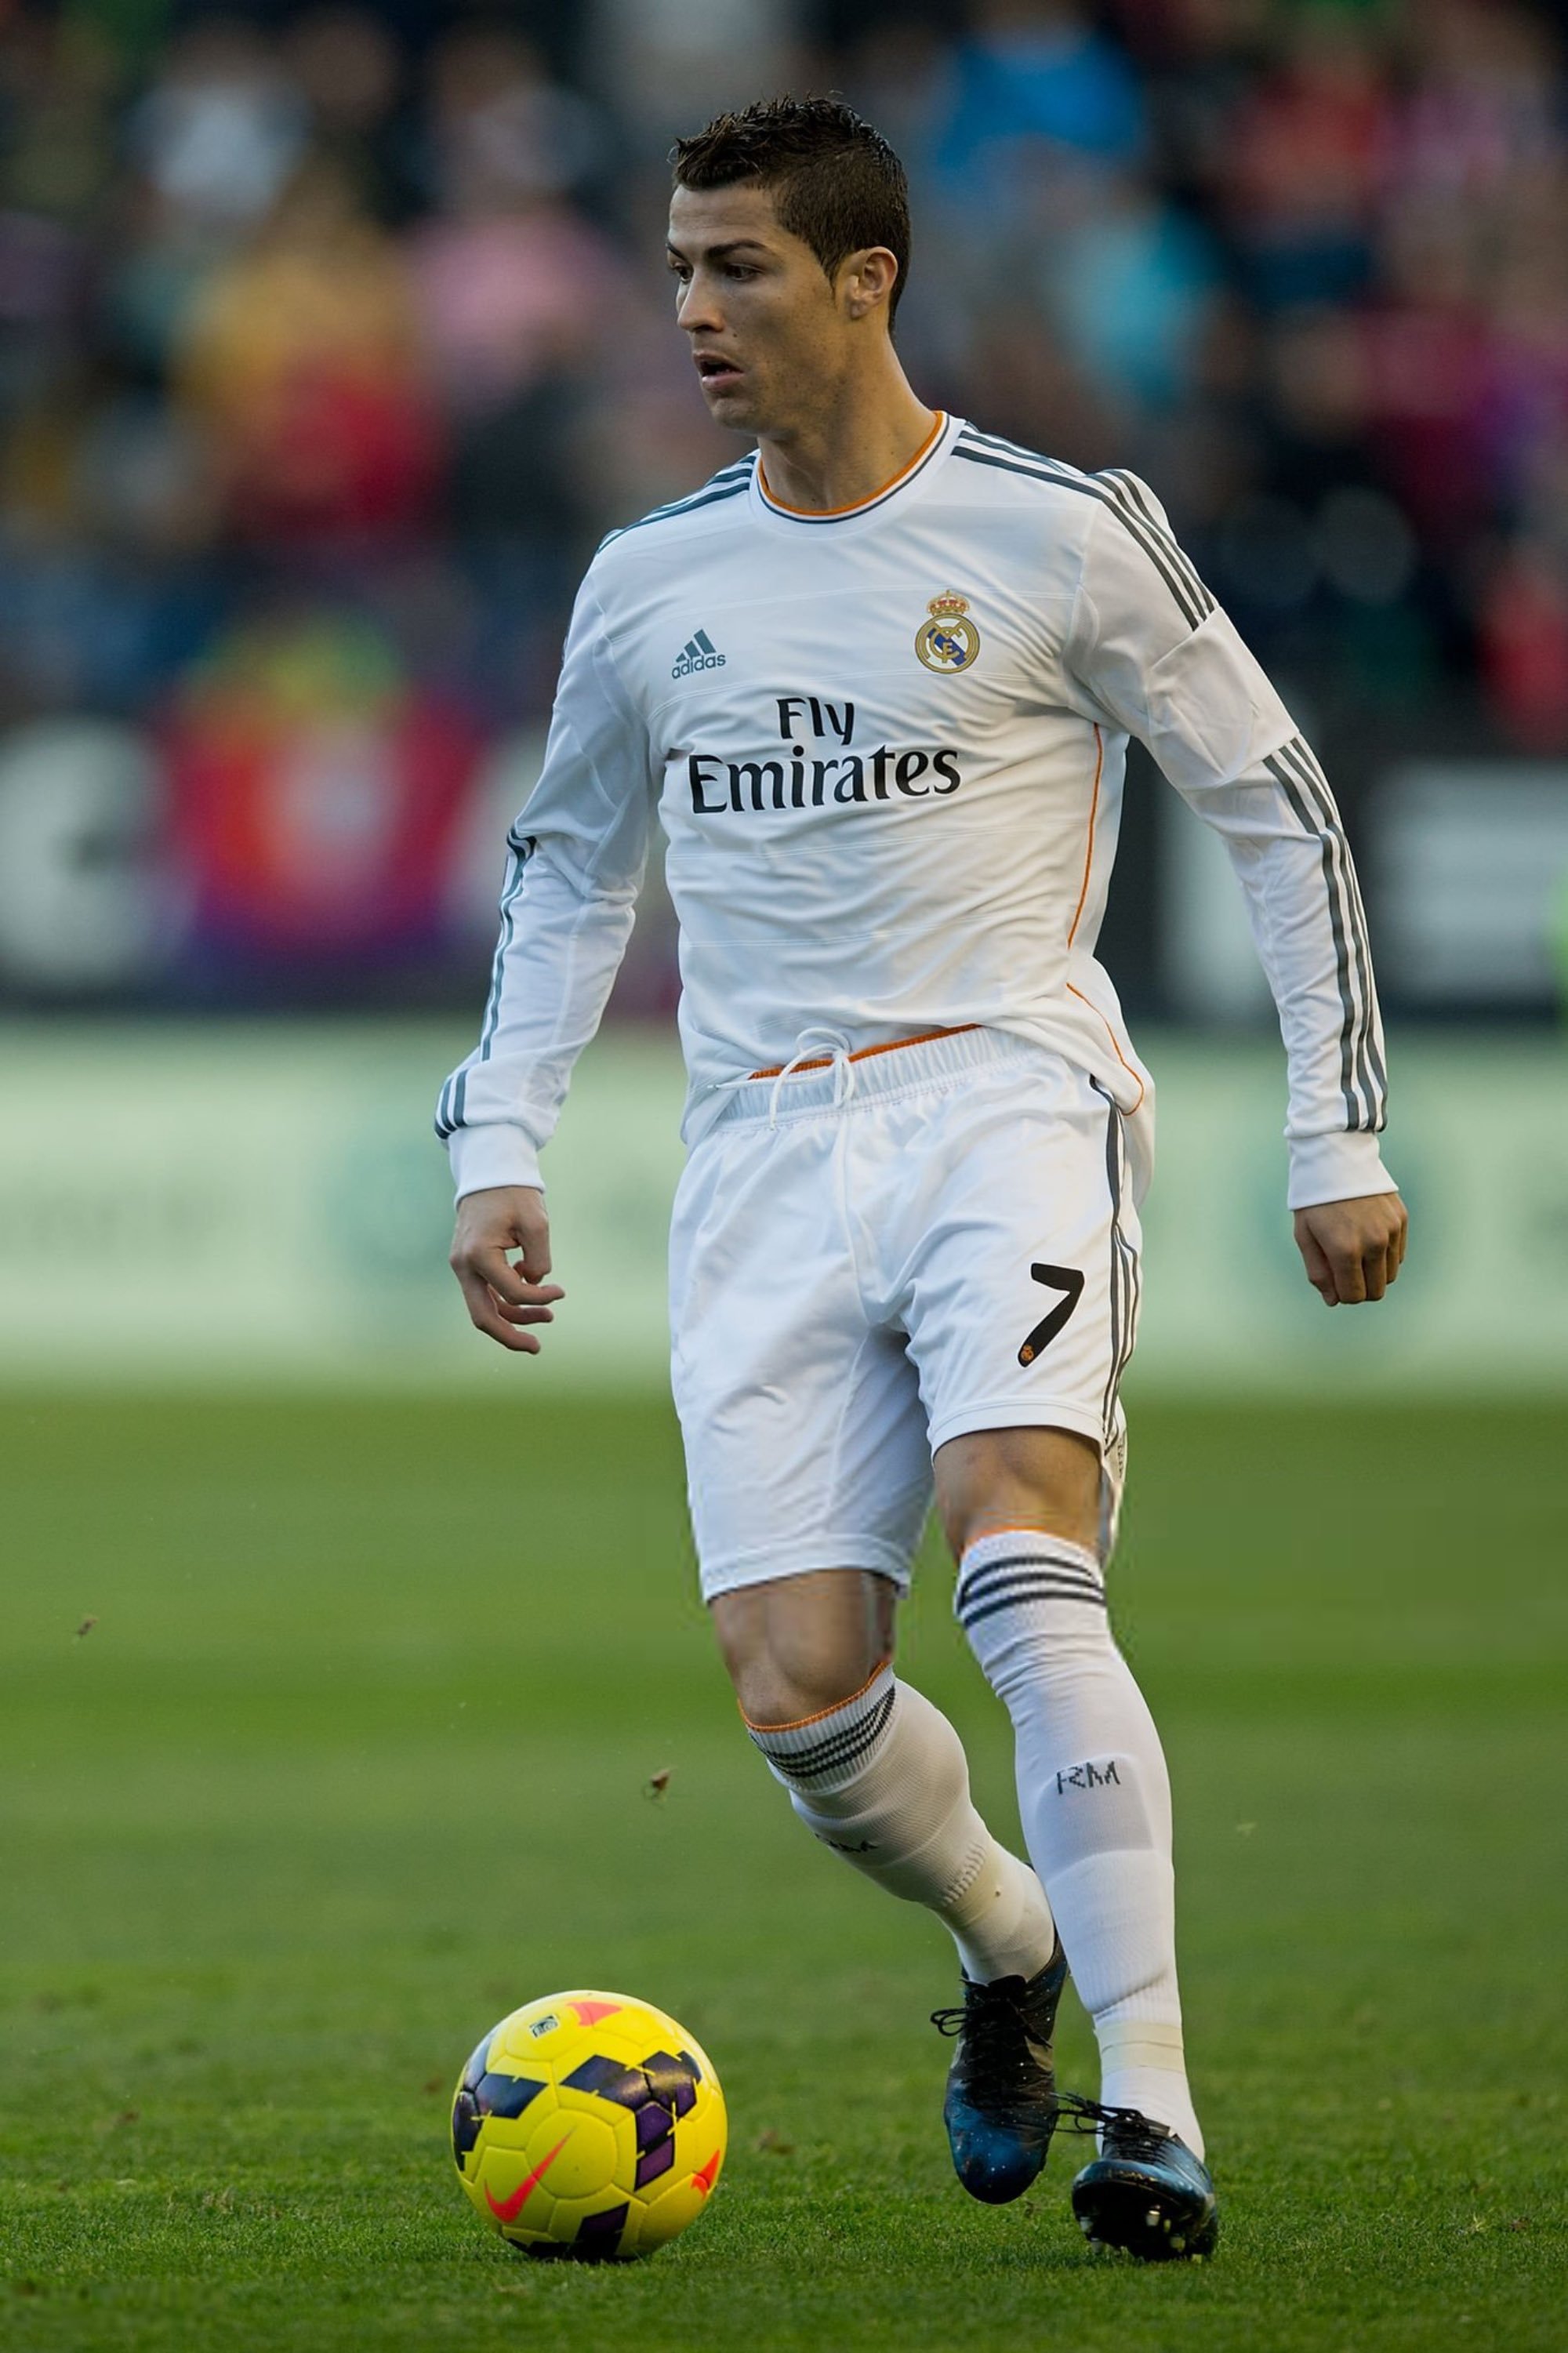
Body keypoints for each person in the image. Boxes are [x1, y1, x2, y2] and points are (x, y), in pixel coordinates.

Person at [438, 96, 1406, 2263]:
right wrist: (501, 1134)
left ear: (866, 279)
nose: (694, 310)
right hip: (757, 1144)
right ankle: (1006, 1939)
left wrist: (1335, 1126)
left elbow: (1277, 806)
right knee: (799, 1697)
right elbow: (570, 866)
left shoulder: (1063, 531)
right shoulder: (650, 579)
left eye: (740, 268)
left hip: (1006, 1097)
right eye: (679, 269)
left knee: (1021, 1552)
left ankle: (1152, 2106)